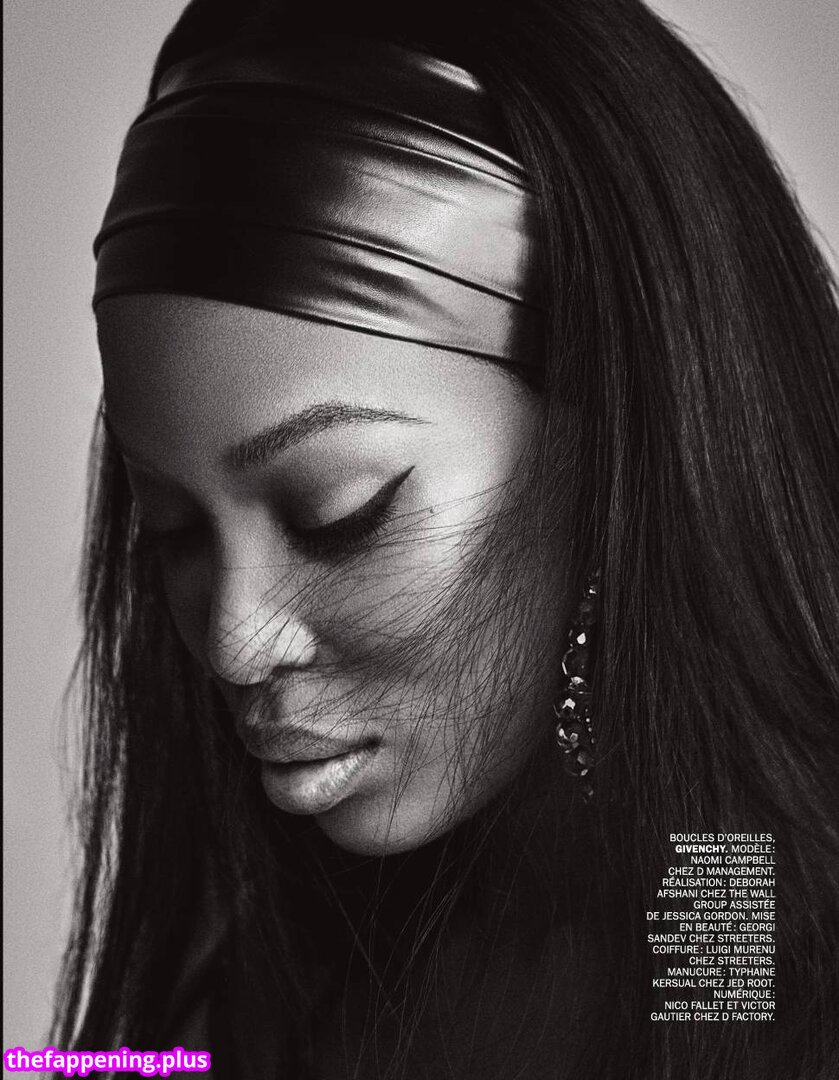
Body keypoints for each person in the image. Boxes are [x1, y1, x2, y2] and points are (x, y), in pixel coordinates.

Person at [52, 1, 839, 1077]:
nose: (233, 643)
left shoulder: (730, 914)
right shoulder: (255, 987)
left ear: (619, 446)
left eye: (340, 514)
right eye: (172, 529)